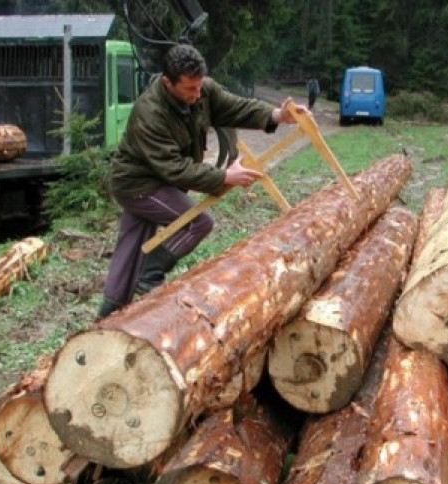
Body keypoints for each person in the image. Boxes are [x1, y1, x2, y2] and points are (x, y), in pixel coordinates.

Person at [97, 44, 309, 318]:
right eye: (189, 89)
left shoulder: (202, 91)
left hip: (159, 179)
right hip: (138, 185)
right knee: (198, 221)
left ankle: (107, 318)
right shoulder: (149, 113)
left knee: (129, 252)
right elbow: (174, 168)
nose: (196, 95)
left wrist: (278, 115)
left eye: (198, 87)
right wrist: (223, 177)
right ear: (167, 82)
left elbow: (236, 107)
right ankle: (149, 274)